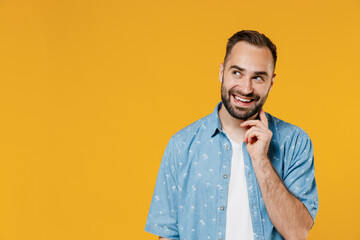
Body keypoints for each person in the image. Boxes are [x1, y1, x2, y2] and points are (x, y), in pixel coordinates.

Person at [145, 30, 319, 240]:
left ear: (271, 82)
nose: (246, 88)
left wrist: (261, 162)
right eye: (237, 73)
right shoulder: (181, 145)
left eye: (258, 77)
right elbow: (168, 235)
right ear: (221, 72)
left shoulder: (295, 143)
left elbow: (298, 233)